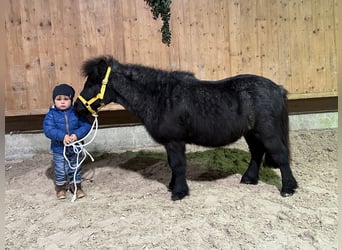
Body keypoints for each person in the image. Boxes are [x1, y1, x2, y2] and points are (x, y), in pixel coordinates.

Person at [43, 83, 91, 200]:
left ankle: (76, 186)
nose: (62, 102)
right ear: (54, 100)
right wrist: (62, 136)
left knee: (76, 167)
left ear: (71, 100)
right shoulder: (51, 115)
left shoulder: (77, 113)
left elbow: (86, 125)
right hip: (59, 149)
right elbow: (48, 129)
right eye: (58, 99)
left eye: (66, 99)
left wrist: (76, 135)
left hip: (76, 147)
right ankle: (60, 188)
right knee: (60, 168)